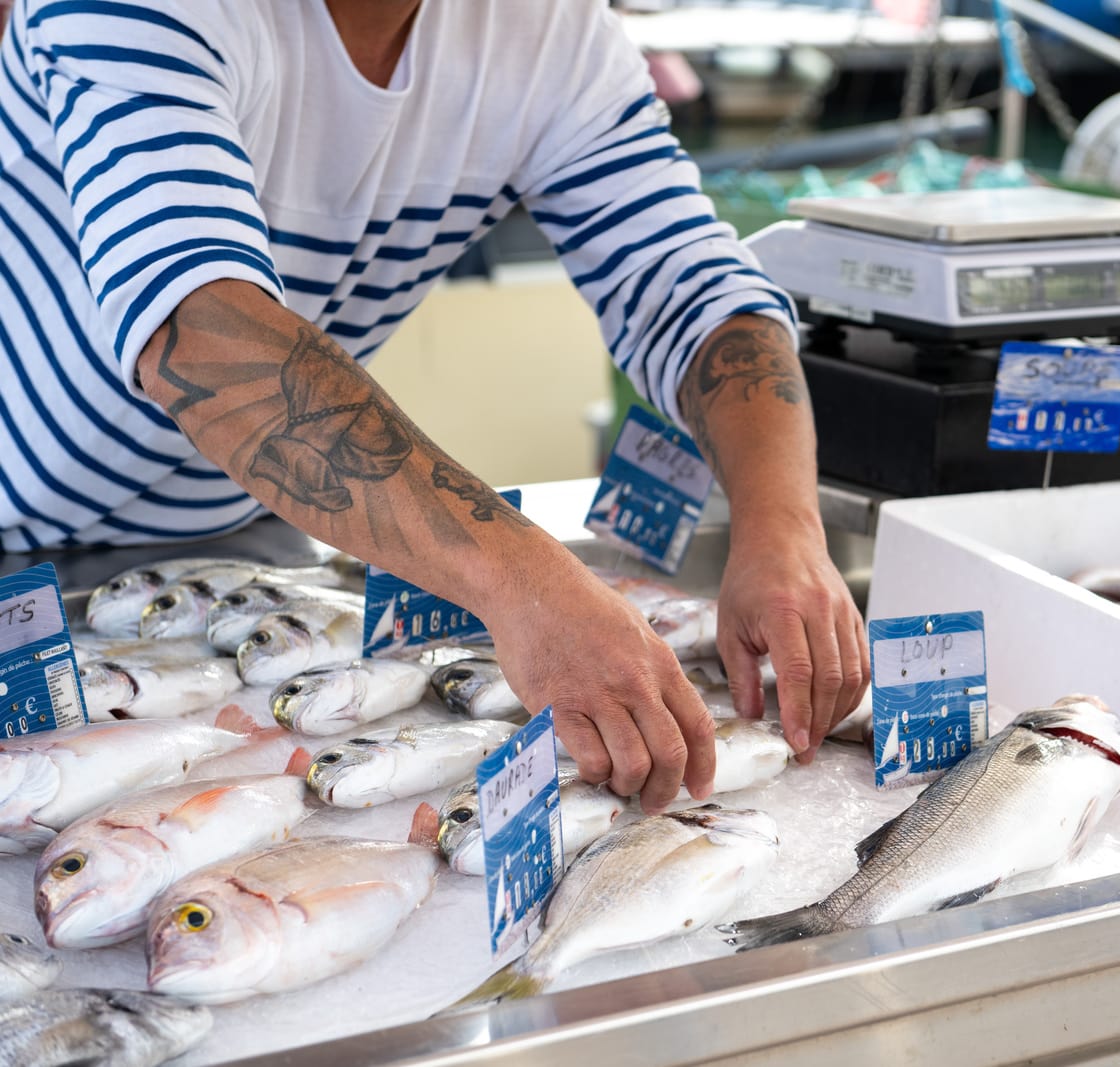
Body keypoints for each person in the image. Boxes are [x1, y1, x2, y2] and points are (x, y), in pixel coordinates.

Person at [0, 0, 870, 812]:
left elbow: (692, 289)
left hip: (231, 538)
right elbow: (203, 334)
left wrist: (781, 527)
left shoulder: (546, 30)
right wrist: (522, 580)